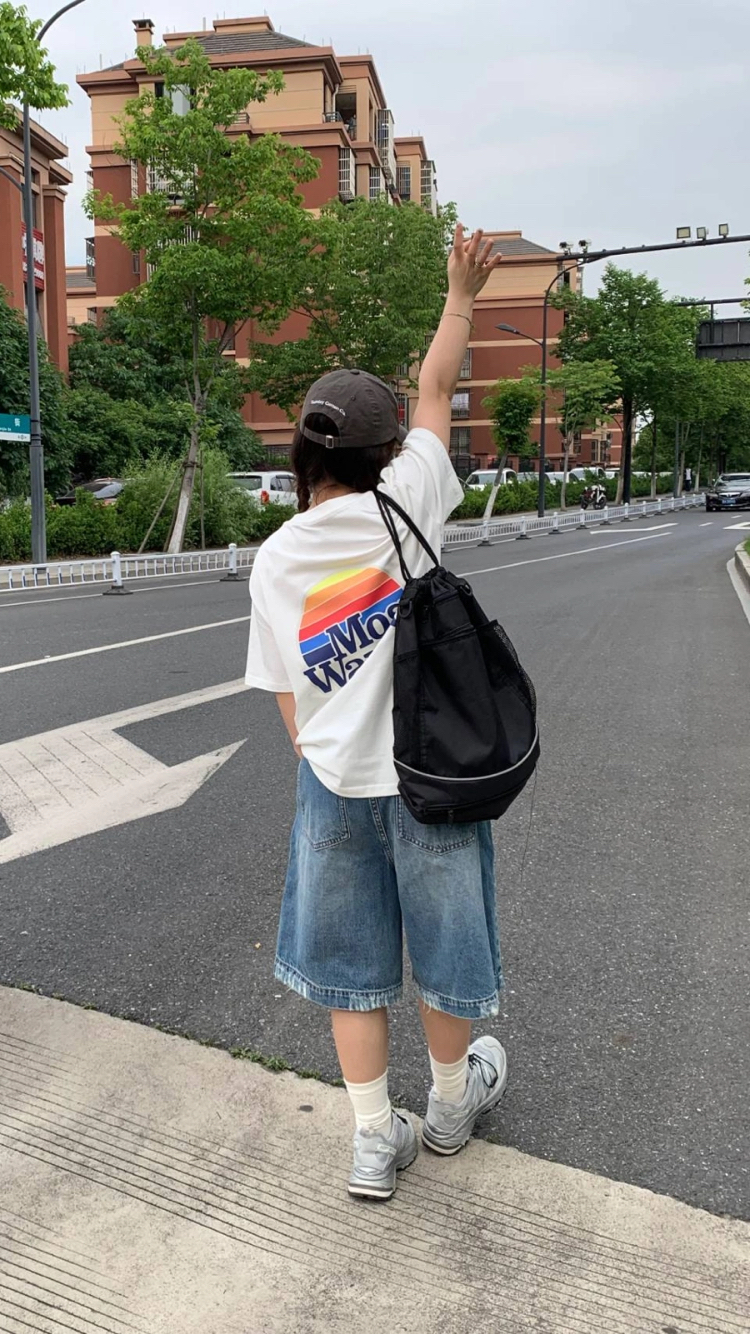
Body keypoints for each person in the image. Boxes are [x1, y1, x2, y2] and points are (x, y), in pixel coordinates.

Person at [245, 225, 508, 1202]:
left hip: (334, 784)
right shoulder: (411, 499)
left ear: (301, 455)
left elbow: (287, 691)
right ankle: (448, 1105)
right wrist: (459, 295)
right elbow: (436, 387)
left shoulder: (277, 558)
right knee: (444, 953)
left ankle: (369, 1139)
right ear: (386, 452)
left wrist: (325, 753)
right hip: (431, 775)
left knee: (351, 968)